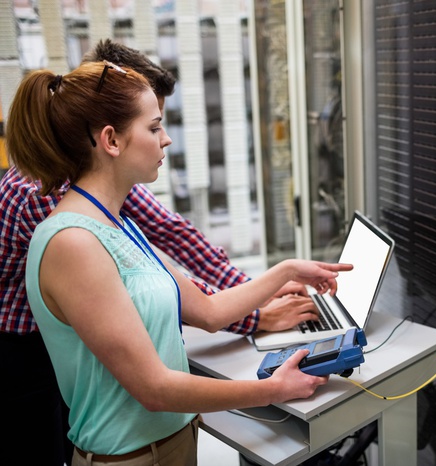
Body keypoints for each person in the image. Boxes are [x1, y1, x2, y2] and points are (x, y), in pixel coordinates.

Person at [5, 60, 352, 465]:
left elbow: (208, 310)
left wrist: (285, 272)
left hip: (172, 443)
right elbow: (155, 389)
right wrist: (272, 390)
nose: (166, 139)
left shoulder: (120, 226)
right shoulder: (73, 244)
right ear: (111, 140)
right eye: (153, 128)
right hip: (131, 458)